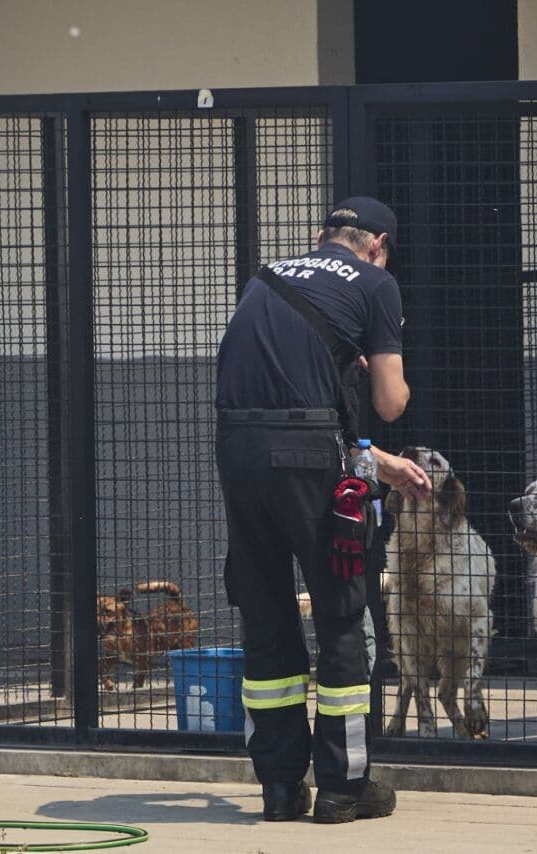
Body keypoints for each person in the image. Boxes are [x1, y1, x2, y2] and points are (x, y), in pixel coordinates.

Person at [214, 197, 431, 824]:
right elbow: (389, 403)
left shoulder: (266, 276)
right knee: (340, 615)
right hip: (308, 459)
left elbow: (285, 401)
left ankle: (280, 788)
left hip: (236, 449)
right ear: (378, 245)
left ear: (321, 236)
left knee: (267, 616)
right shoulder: (376, 283)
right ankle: (343, 786)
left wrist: (370, 455)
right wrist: (375, 365)